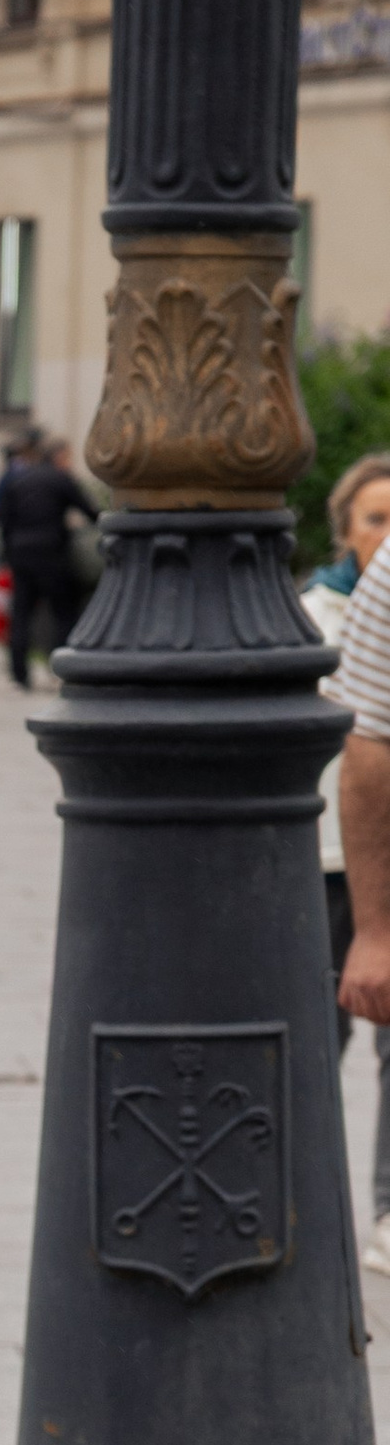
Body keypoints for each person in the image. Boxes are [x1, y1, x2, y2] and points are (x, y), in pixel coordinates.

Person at [311, 452, 390, 1274]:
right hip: (331, 861)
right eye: (372, 518)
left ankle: (388, 1205)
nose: (385, 532)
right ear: (344, 530)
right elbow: (366, 750)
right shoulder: (309, 613)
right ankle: (313, 1191)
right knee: (319, 1034)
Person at [0, 429, 91, 685]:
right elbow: (89, 510)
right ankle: (59, 667)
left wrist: (8, 551)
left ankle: (18, 673)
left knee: (21, 612)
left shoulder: (17, 480)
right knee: (63, 610)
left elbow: (0, 517)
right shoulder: (60, 479)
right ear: (58, 457)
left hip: (20, 553)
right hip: (52, 552)